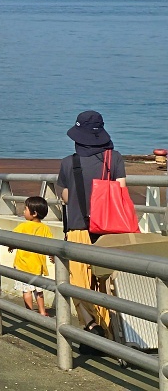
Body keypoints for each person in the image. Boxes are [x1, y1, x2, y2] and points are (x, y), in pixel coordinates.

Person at [55, 110, 126, 336]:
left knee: (77, 283)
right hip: (109, 231)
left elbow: (65, 197)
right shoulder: (113, 159)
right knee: (105, 284)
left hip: (78, 229)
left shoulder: (69, 163)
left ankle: (90, 326)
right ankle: (109, 331)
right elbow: (121, 190)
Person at [7, 196, 54, 316]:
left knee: (26, 290)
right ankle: (42, 311)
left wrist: (11, 246)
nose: (23, 211)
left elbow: (13, 238)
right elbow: (50, 245)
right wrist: (52, 256)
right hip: (37, 265)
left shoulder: (24, 226)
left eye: (25, 209)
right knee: (39, 290)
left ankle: (29, 312)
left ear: (34, 213)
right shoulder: (45, 228)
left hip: (23, 264)